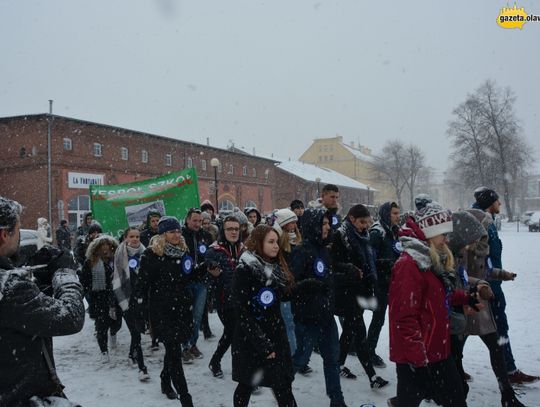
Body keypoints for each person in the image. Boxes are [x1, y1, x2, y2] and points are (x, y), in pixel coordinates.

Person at [389, 203, 478, 407]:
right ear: (429, 234)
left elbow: (436, 297)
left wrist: (464, 297)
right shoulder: (409, 265)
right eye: (443, 234)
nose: (446, 240)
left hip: (437, 350)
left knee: (456, 397)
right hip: (418, 356)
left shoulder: (427, 259)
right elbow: (404, 318)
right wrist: (419, 363)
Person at [0, 196, 85, 406]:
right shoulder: (9, 289)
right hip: (21, 397)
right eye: (18, 229)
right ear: (4, 234)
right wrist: (65, 273)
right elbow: (70, 316)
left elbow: (22, 316)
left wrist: (37, 279)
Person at [448, 210, 525, 407]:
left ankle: (506, 394)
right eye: (485, 226)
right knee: (455, 353)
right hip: (467, 303)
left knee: (495, 348)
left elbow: (486, 269)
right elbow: (460, 277)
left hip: (480, 305)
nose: (487, 230)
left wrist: (502, 274)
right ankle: (452, 392)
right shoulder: (462, 246)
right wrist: (480, 284)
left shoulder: (482, 245)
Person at [472, 187, 539, 384]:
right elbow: (481, 257)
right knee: (497, 327)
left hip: (489, 281)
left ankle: (450, 366)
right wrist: (492, 277)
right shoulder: (480, 221)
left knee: (466, 331)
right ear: (489, 203)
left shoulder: (484, 219)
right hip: (486, 285)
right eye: (497, 201)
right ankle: (508, 370)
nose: (500, 204)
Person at [232, 225, 297, 407]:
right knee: (246, 385)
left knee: (283, 385)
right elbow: (242, 312)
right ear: (258, 243)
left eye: (276, 241)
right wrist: (263, 344)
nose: (276, 246)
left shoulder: (273, 266)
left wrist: (306, 286)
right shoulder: (244, 270)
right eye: (271, 242)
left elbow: (283, 294)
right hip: (252, 340)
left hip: (275, 334)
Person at [290, 208, 348, 407]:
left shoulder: (325, 250)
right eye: (322, 224)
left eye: (327, 223)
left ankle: (337, 400)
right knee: (300, 358)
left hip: (326, 316)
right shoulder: (300, 251)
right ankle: (281, 385)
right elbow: (291, 286)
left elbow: (326, 279)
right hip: (307, 319)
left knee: (332, 358)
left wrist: (344, 277)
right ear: (311, 226)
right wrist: (308, 286)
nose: (327, 227)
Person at [135, 216, 195, 406]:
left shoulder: (183, 252)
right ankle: (186, 399)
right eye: (171, 231)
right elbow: (141, 286)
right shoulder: (151, 255)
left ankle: (164, 380)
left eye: (178, 231)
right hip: (162, 312)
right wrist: (141, 313)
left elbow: (188, 277)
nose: (176, 235)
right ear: (162, 235)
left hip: (182, 309)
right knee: (174, 352)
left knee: (173, 350)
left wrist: (205, 270)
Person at [331, 204, 388, 388]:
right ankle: (372, 376)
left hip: (361, 290)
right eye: (362, 222)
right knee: (359, 333)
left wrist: (382, 265)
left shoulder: (364, 235)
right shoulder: (341, 235)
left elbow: (367, 260)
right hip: (347, 293)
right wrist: (350, 269)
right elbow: (333, 264)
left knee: (348, 331)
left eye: (367, 222)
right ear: (351, 218)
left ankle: (337, 365)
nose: (365, 225)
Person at [206, 215, 244, 378]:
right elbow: (206, 278)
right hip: (224, 300)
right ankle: (241, 371)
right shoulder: (213, 251)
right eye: (230, 229)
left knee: (233, 334)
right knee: (234, 333)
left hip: (242, 299)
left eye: (236, 229)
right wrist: (213, 275)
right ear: (223, 230)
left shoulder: (244, 249)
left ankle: (215, 361)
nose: (234, 232)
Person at [112, 227, 150, 382]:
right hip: (126, 297)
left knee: (138, 331)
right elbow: (116, 278)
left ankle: (131, 354)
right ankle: (142, 368)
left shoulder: (146, 253)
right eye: (132, 236)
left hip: (142, 298)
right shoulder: (120, 254)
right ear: (126, 238)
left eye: (137, 236)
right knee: (135, 332)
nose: (135, 239)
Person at [367, 201, 401, 368]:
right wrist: (385, 264)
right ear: (386, 214)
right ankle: (369, 351)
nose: (397, 216)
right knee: (378, 319)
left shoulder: (395, 231)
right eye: (394, 213)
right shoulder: (377, 232)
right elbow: (370, 258)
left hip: (394, 282)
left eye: (398, 213)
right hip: (380, 282)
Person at [80, 234, 121, 362]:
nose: (105, 248)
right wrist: (86, 293)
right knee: (101, 326)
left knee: (117, 322)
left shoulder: (116, 260)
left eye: (107, 245)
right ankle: (104, 351)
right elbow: (84, 281)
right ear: (96, 248)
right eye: (102, 245)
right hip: (99, 298)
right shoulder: (90, 262)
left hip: (116, 297)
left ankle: (113, 333)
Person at [181, 207, 213, 362]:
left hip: (202, 281)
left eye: (200, 221)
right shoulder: (180, 235)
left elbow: (211, 254)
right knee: (185, 315)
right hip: (184, 282)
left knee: (198, 315)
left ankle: (193, 343)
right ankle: (184, 346)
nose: (198, 224)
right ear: (187, 220)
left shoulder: (206, 236)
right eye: (194, 220)